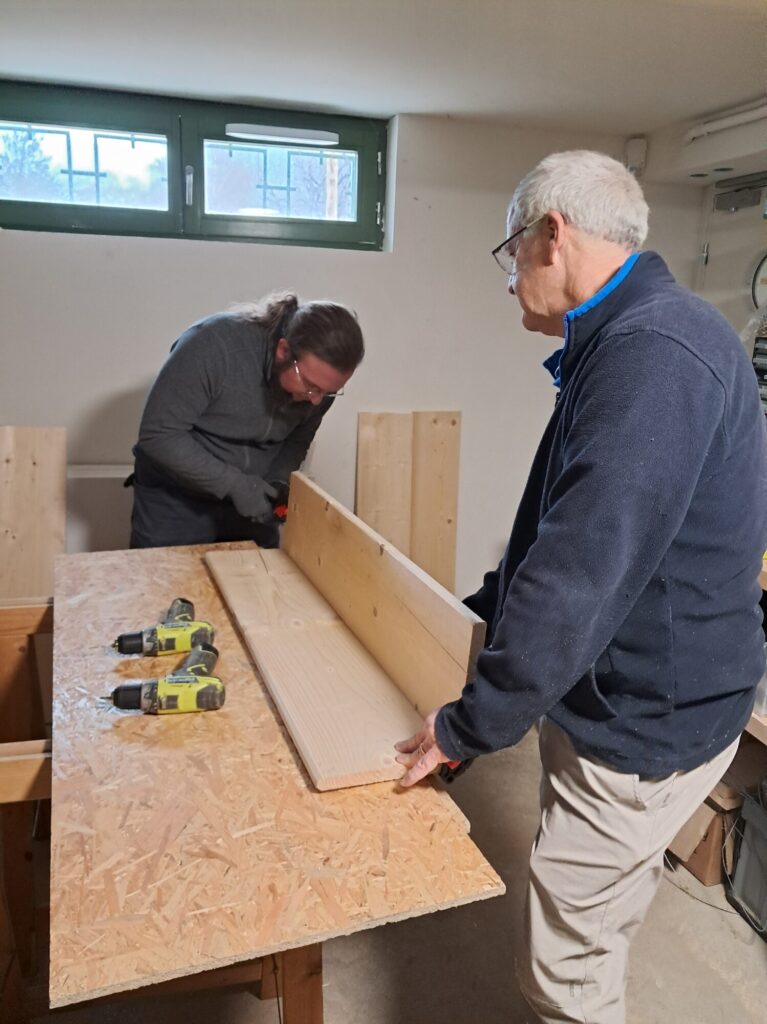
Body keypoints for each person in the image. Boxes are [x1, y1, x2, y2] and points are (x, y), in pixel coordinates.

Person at [395, 150, 767, 1023]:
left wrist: (469, 724)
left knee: (561, 972)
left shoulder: (652, 355)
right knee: (597, 915)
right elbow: (557, 519)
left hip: (645, 714)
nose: (508, 278)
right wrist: (477, 619)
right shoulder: (637, 333)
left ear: (551, 235)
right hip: (658, 686)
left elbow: (577, 574)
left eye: (509, 252)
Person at [129, 292, 364, 548]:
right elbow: (160, 435)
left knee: (259, 574)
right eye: (310, 385)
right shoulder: (213, 345)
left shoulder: (319, 387)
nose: (316, 400)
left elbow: (296, 441)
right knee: (169, 575)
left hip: (251, 500)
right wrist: (235, 486)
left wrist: (278, 481)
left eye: (328, 392)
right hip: (176, 500)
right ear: (283, 350)